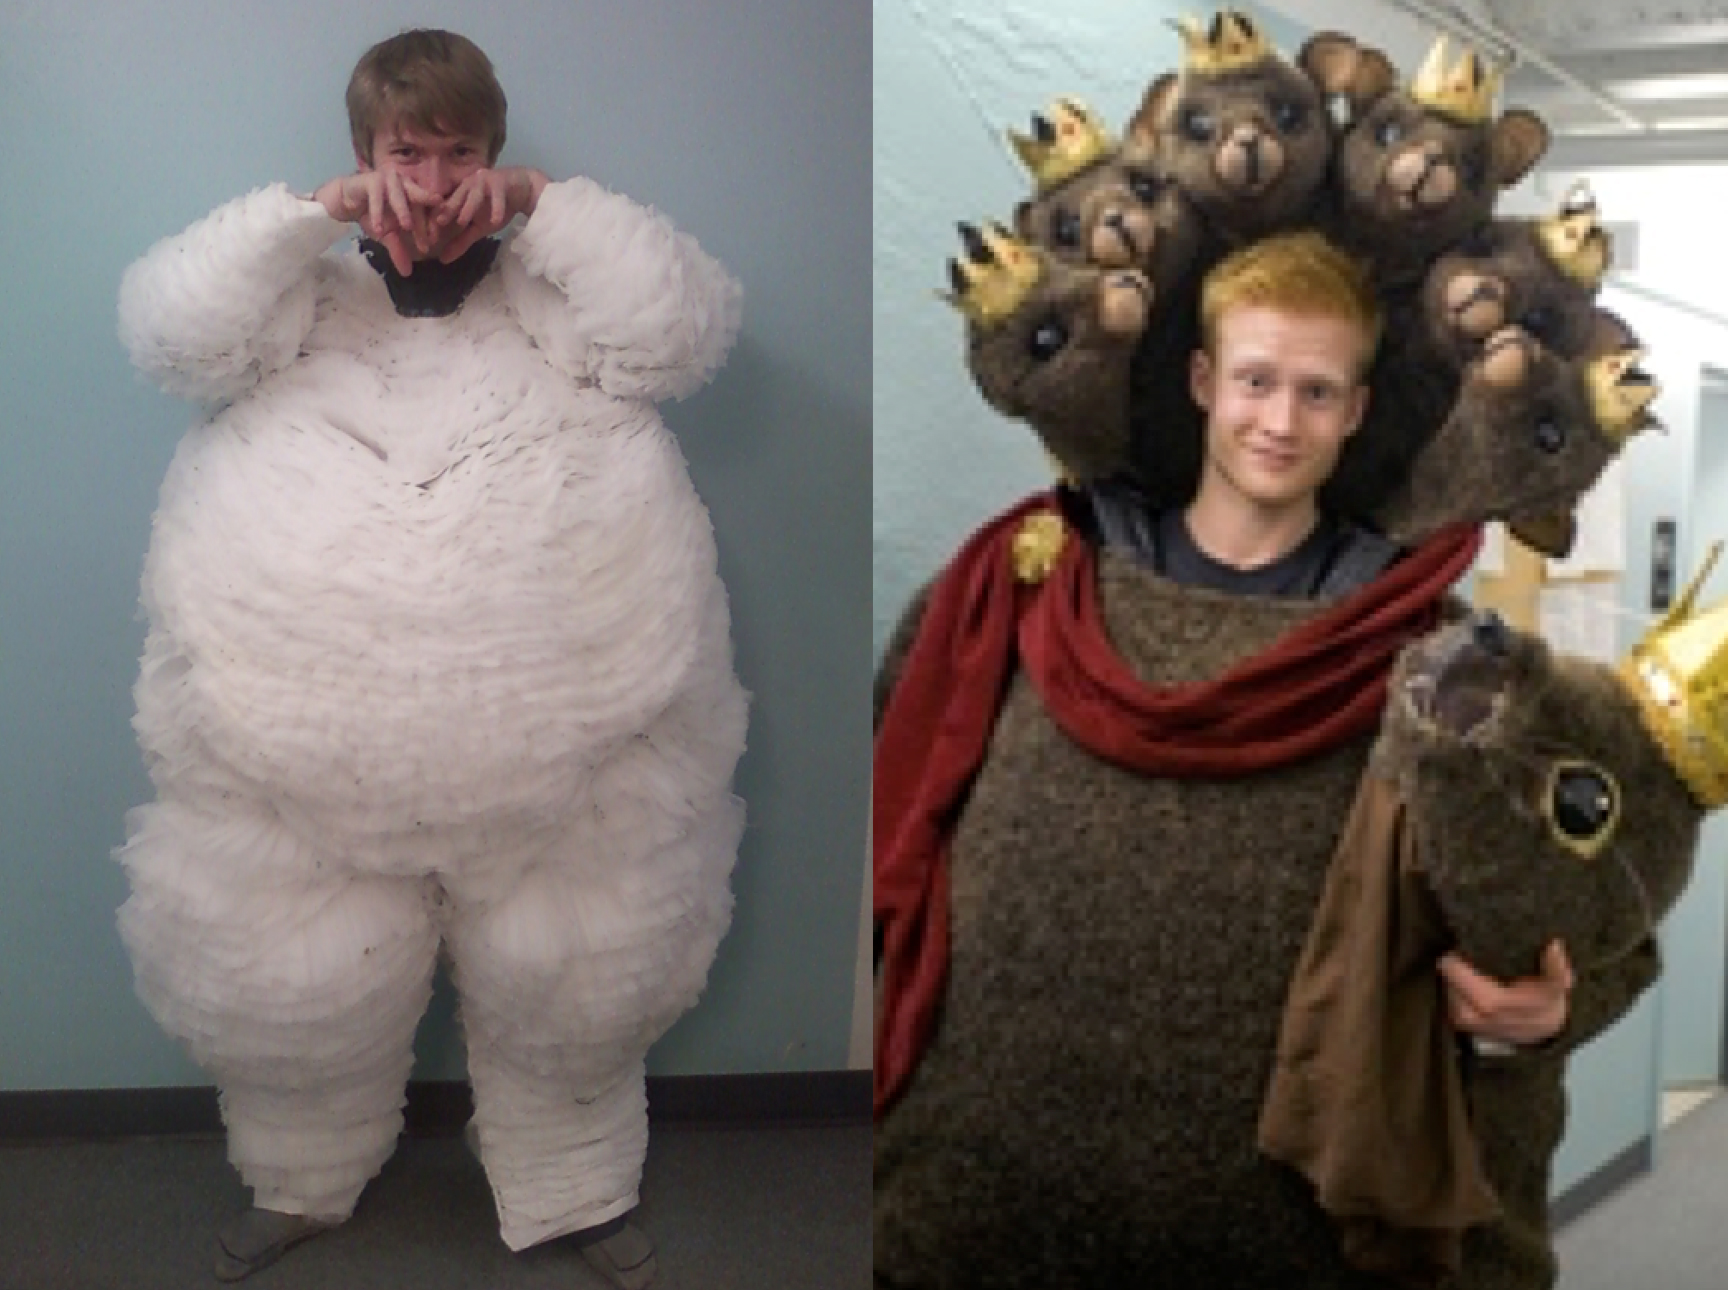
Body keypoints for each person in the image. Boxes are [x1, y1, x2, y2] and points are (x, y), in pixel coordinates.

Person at [872, 231, 1635, 1288]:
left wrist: (1554, 1014)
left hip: (1279, 1232)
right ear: (1201, 380)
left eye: (1317, 392)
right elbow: (889, 828)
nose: (1280, 422)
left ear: (1357, 410)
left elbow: (1595, 917)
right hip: (976, 1205)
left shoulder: (1442, 664)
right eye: (1256, 380)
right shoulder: (1021, 591)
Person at [115, 29, 745, 1288]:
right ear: (366, 155)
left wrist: (542, 209)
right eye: (411, 149)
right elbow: (171, 338)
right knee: (288, 975)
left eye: (464, 151)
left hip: (575, 740)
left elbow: (681, 332)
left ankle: (575, 1191)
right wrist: (307, 219)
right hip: (287, 739)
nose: (438, 173)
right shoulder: (295, 299)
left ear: (494, 158)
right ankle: (298, 1181)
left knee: (577, 968)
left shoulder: (555, 293)